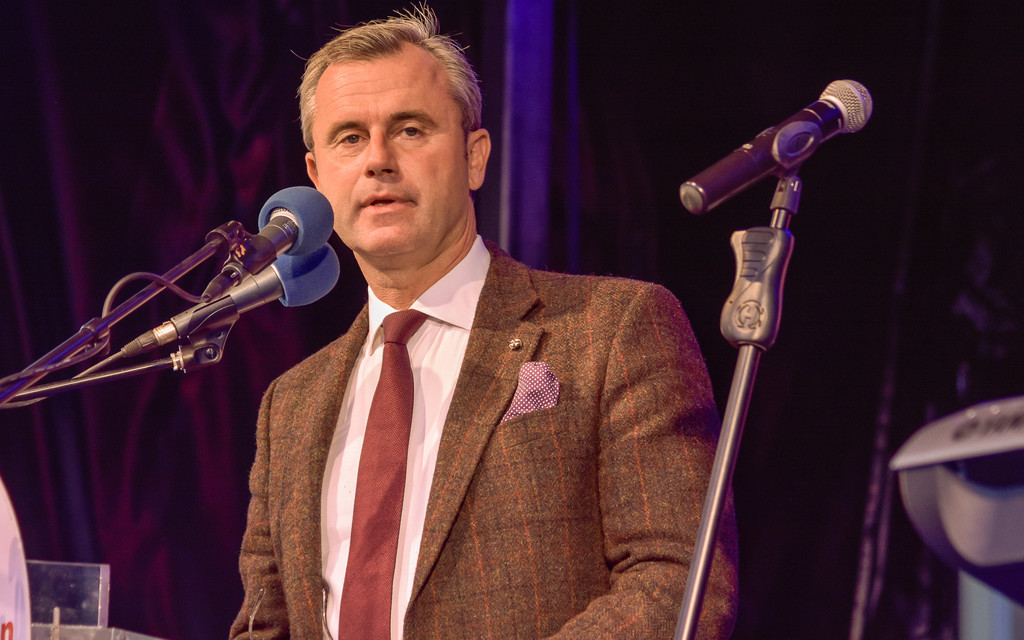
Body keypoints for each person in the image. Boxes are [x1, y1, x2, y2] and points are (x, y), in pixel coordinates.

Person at [230, 5, 738, 639]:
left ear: (474, 157)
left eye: (410, 129)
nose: (378, 159)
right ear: (316, 179)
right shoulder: (290, 406)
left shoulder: (612, 330)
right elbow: (263, 627)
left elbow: (679, 583)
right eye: (350, 138)